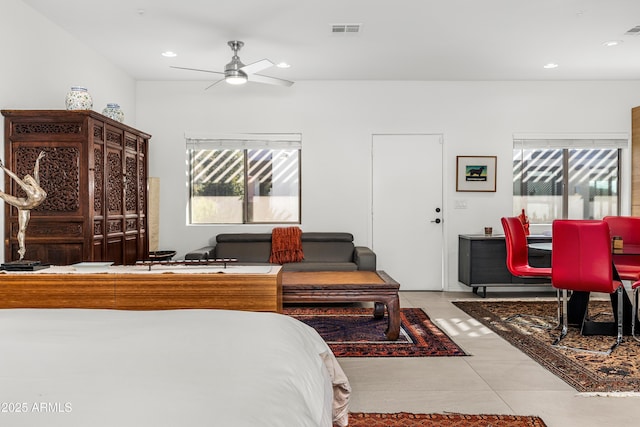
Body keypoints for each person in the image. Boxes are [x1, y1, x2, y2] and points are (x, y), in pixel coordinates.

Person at [0, 151, 47, 260]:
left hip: (27, 208)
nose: (26, 176)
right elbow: (15, 177)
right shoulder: (29, 189)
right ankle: (22, 250)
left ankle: (22, 250)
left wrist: (38, 160)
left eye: (26, 177)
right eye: (25, 178)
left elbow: (36, 172)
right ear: (27, 182)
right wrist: (3, 167)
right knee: (2, 195)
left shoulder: (37, 185)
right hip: (23, 204)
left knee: (22, 230)